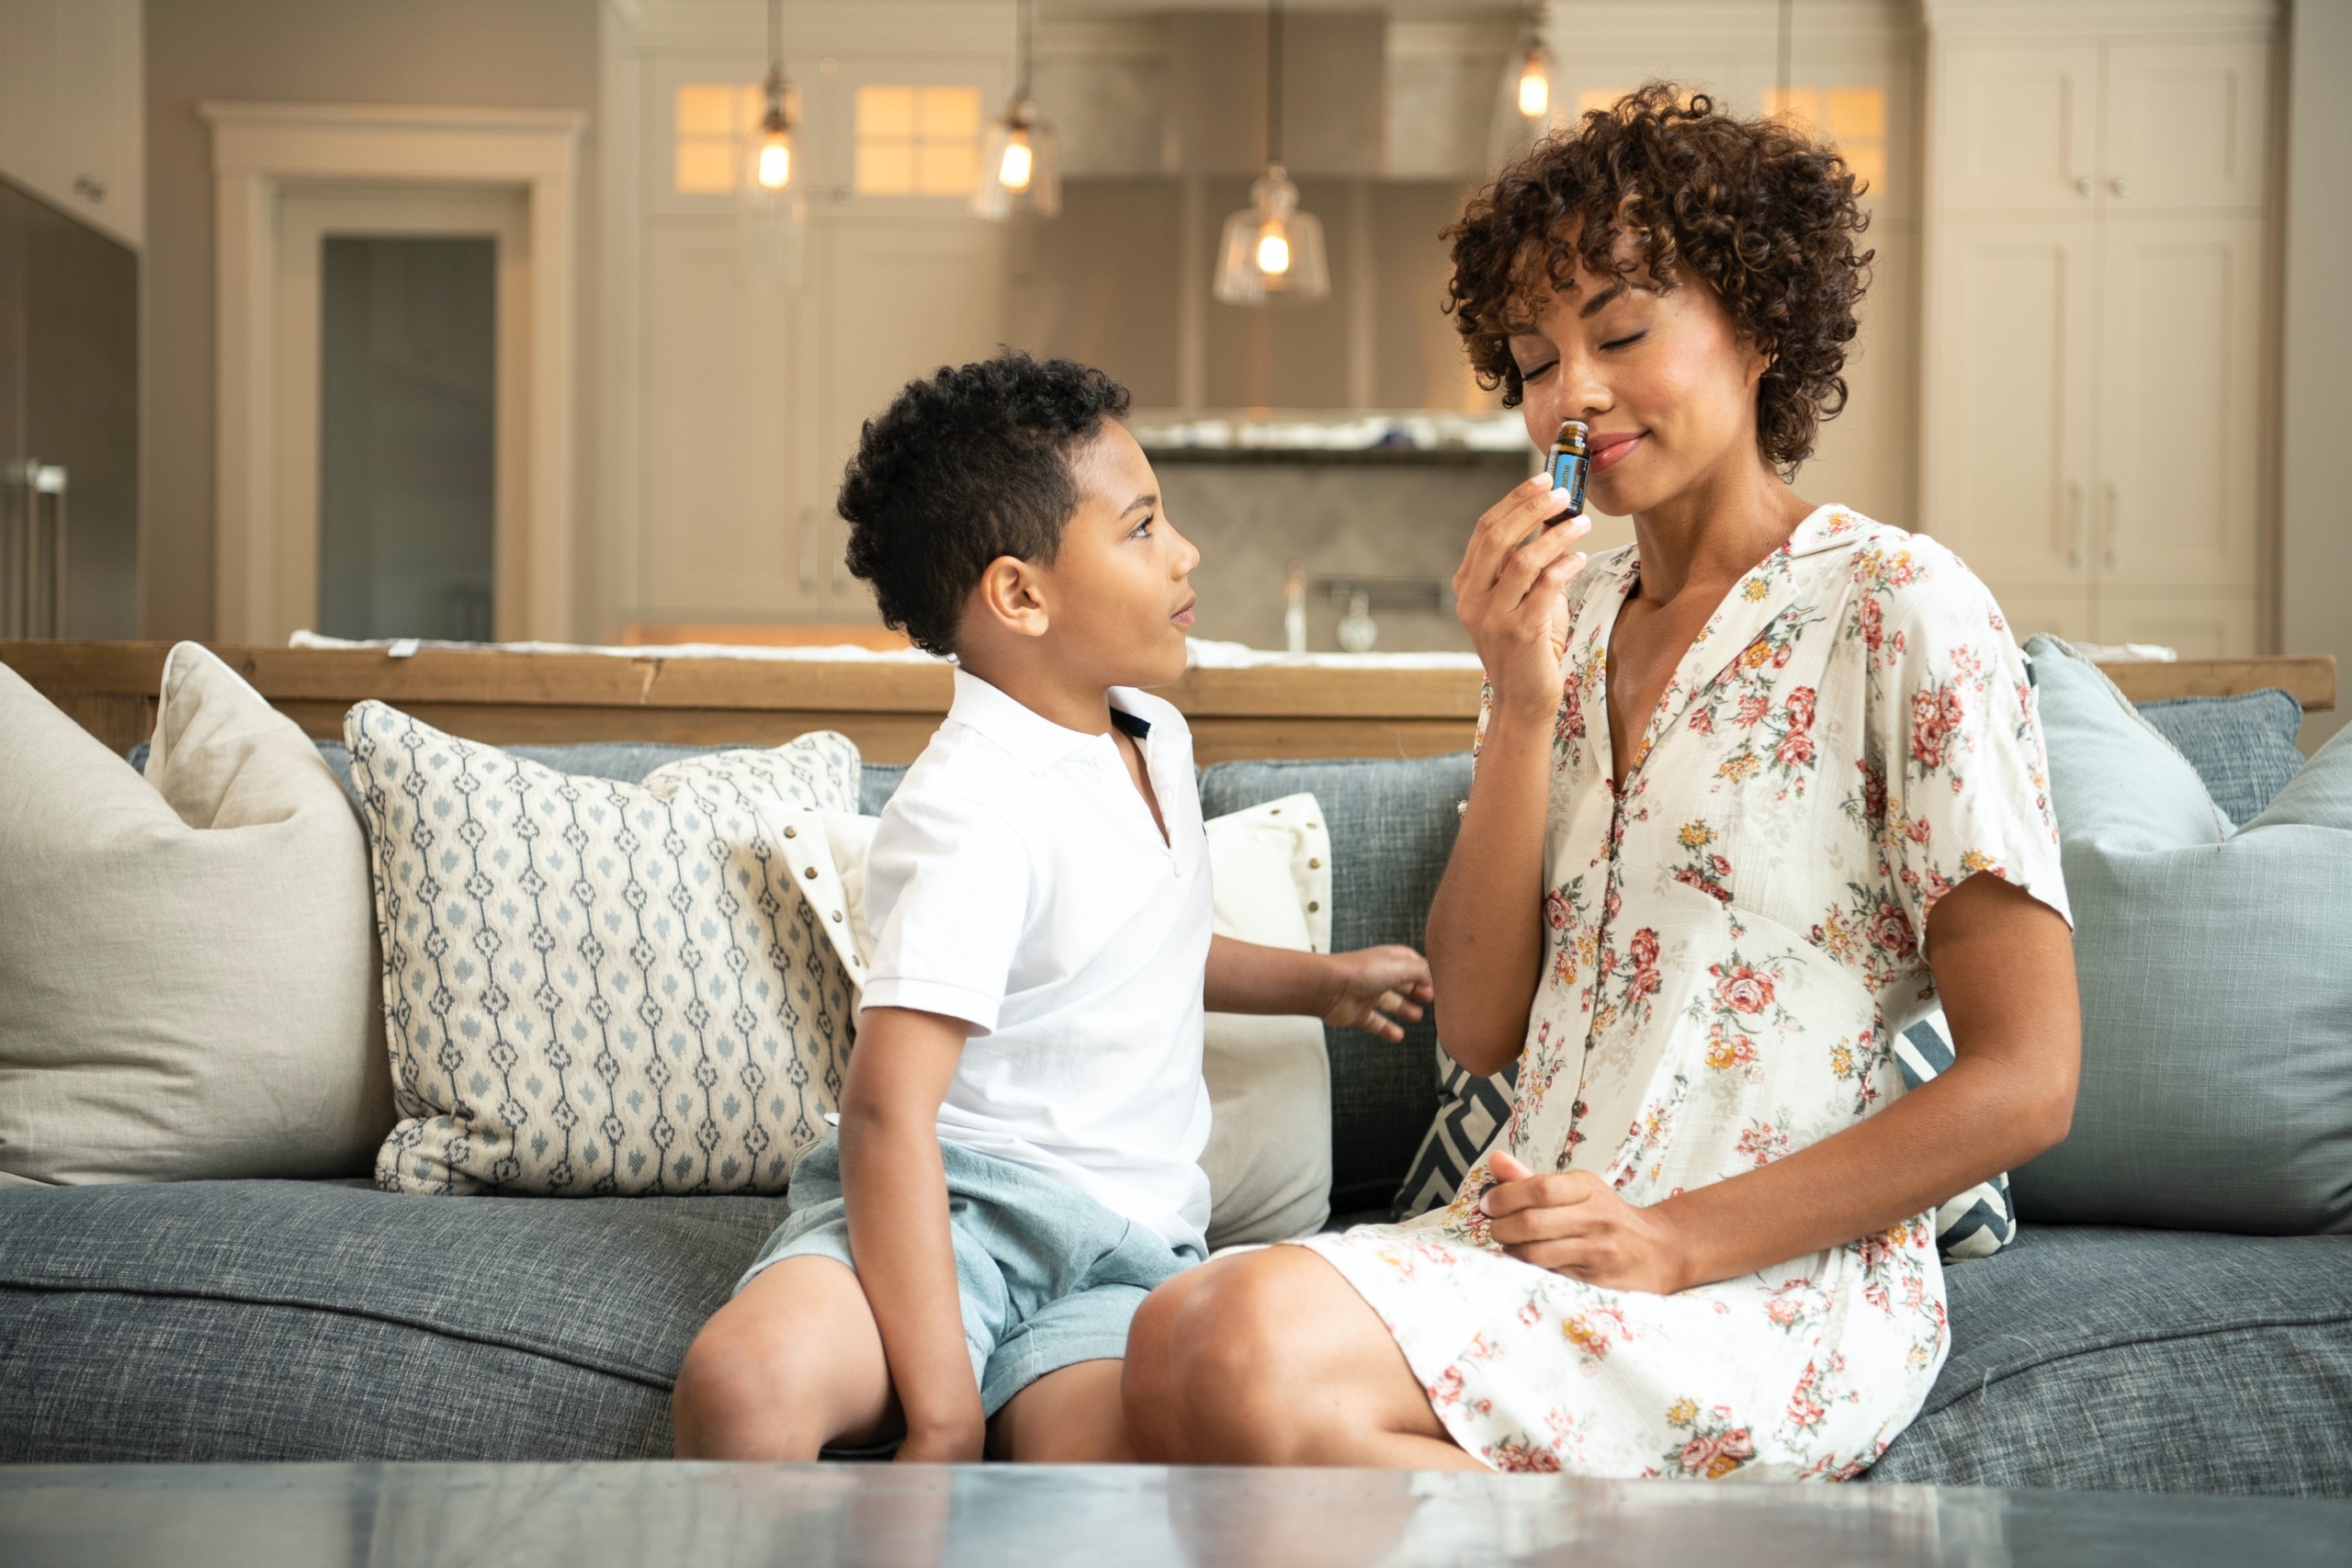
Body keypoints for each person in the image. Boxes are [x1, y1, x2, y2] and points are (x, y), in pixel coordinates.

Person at [1123, 85, 2082, 1478]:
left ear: (1761, 322)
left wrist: (1678, 1236)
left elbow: (2031, 1077)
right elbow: (1488, 1018)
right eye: (1530, 360)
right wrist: (1520, 698)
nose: (1569, 393)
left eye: (1622, 333)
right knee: (1171, 1351)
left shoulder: (1900, 607)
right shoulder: (1571, 623)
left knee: (1238, 1349)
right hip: (1533, 1237)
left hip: (1758, 1280)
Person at [670, 353, 1435, 1463]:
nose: (1186, 553)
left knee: (1101, 1482)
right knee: (744, 1387)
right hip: (952, 1221)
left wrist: (1321, 985)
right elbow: (888, 1113)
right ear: (1019, 594)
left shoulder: (1149, 733)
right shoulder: (972, 806)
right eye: (1141, 528)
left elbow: (1134, 945)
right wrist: (940, 1419)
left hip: (1125, 1250)